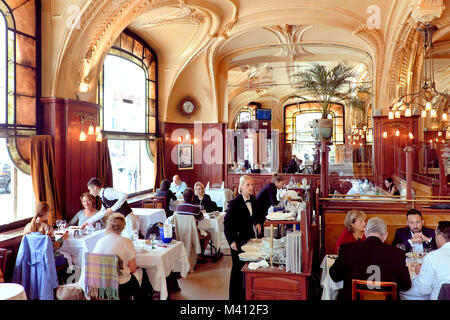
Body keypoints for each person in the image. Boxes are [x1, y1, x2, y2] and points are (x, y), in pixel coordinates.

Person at [329, 217, 411, 300]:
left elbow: (334, 276)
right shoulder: (397, 253)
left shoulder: (347, 249)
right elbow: (406, 286)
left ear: (365, 232)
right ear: (385, 235)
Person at [224, 175, 264, 300]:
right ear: (241, 186)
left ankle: (246, 294)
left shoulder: (253, 199)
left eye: (252, 185)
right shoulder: (235, 203)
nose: (251, 187)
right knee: (237, 268)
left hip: (249, 238)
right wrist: (231, 241)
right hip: (237, 239)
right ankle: (234, 297)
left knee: (248, 266)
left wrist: (257, 222)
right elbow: (226, 223)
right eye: (248, 185)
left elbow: (257, 214)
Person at [92, 213, 140, 300]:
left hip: (101, 285)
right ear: (123, 227)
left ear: (108, 225)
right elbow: (133, 269)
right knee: (137, 277)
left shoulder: (100, 241)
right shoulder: (126, 241)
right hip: (120, 285)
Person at [23, 201, 68, 268]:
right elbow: (54, 247)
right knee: (66, 256)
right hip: (45, 260)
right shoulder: (48, 228)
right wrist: (62, 238)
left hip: (31, 260)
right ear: (46, 213)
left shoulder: (28, 226)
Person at [414, 221, 450, 300]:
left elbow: (424, 290)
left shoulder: (431, 257)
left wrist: (419, 273)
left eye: (435, 235)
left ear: (440, 237)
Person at [175, 188, 211, 256]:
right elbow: (201, 218)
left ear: (183, 197)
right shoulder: (195, 208)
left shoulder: (178, 207)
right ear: (192, 197)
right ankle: (199, 255)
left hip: (179, 233)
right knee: (208, 234)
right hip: (192, 233)